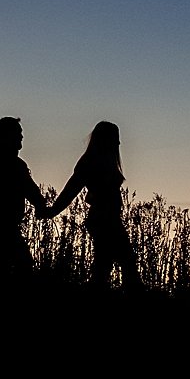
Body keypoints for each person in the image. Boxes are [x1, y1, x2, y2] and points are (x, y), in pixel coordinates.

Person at [44, 120, 141, 289]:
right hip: (103, 219)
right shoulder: (90, 162)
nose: (118, 143)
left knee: (106, 264)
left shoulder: (101, 161)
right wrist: (53, 211)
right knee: (123, 262)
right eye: (115, 138)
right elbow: (71, 190)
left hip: (108, 219)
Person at [0, 117, 48, 282]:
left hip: (2, 225)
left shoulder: (5, 161)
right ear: (7, 135)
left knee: (4, 267)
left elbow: (31, 190)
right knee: (17, 265)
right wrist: (42, 207)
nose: (21, 137)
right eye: (18, 133)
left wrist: (41, 205)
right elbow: (30, 190)